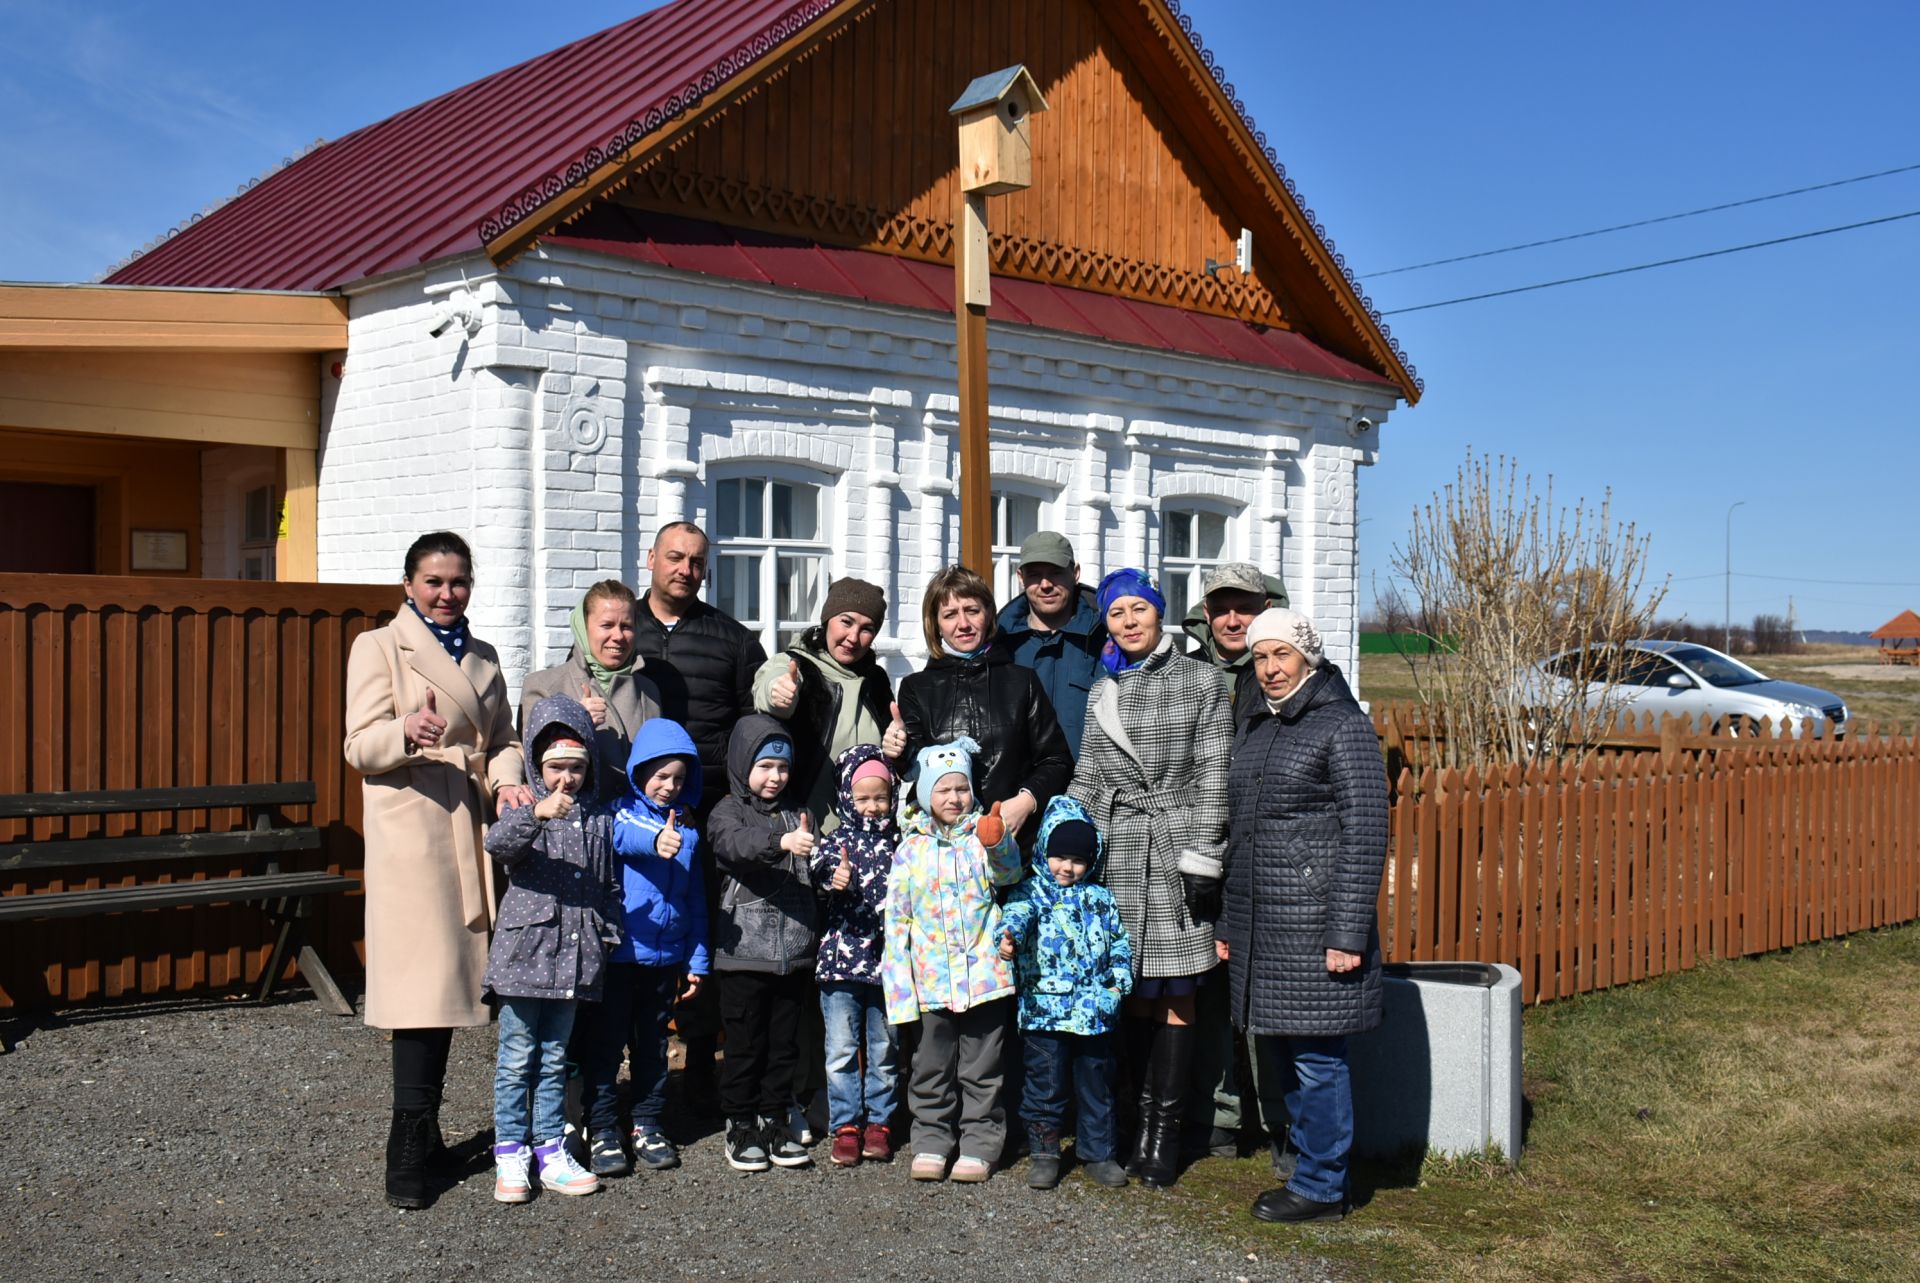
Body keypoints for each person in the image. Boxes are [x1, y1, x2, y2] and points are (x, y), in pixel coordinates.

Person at [343, 530, 532, 1209]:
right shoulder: (377, 647)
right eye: (434, 581)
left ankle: (429, 1136)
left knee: (454, 994)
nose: (447, 593)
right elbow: (358, 745)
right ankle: (406, 1151)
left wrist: (508, 781)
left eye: (458, 581)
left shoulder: (482, 655)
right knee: (422, 1000)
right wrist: (405, 733)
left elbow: (505, 739)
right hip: (416, 837)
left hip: (471, 829)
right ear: (408, 584)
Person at [1219, 607, 1389, 1223]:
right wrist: (1228, 927)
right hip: (1266, 926)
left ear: (1308, 658)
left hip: (1317, 926)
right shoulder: (1259, 727)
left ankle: (1322, 1186)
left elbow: (1365, 832)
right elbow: (1242, 838)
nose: (1269, 669)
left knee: (1319, 1061)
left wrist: (1346, 933)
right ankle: (1304, 1163)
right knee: (1288, 1052)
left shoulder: (1342, 726)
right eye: (1260, 658)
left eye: (1281, 655)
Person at [1068, 568, 1231, 1189]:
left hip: (1177, 850)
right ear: (1105, 621)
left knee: (1179, 991)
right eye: (1117, 613)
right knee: (1132, 990)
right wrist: (1066, 831)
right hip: (1120, 852)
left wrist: (1202, 854)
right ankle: (1136, 1122)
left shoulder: (1202, 680)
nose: (1130, 621)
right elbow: (1088, 773)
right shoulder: (1102, 689)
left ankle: (1165, 1133)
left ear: (1160, 614)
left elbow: (1217, 772)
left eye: (1140, 609)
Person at [630, 520, 767, 1113]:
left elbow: (750, 725)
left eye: (696, 562)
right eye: (675, 558)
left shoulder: (731, 638)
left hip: (707, 809)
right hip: (632, 815)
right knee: (637, 930)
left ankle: (702, 1061)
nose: (685, 569)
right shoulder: (618, 627)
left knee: (701, 927)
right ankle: (638, 1067)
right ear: (652, 559)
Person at [482, 695, 621, 1203]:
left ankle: (550, 1148)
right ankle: (510, 1151)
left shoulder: (597, 819)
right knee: (517, 1056)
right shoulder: (525, 808)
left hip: (575, 959)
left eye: (577, 768)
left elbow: (608, 886)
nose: (567, 778)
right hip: (524, 956)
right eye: (556, 767)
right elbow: (498, 847)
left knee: (556, 1057)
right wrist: (537, 813)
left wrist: (608, 934)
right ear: (538, 766)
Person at [1180, 561, 1288, 1167]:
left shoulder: (1283, 670)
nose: (1230, 619)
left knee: (1267, 987)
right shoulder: (1190, 672)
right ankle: (1220, 1113)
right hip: (1200, 845)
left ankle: (1278, 1116)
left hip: (1261, 846)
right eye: (1220, 607)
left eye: (1242, 606)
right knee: (1211, 985)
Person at [882, 738, 1024, 1183]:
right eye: (943, 790)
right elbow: (897, 920)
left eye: (961, 789)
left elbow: (1009, 876)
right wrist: (901, 994)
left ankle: (980, 1144)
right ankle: (930, 1140)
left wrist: (999, 842)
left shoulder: (982, 835)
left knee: (982, 1069)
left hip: (983, 977)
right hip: (930, 982)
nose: (954, 798)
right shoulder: (910, 849)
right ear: (925, 796)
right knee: (930, 1067)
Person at [582, 717, 708, 1178]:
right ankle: (601, 1126)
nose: (670, 787)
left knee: (653, 1045)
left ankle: (648, 1123)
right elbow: (623, 836)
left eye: (678, 778)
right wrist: (658, 840)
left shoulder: (690, 832)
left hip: (666, 958)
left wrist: (696, 960)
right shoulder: (619, 813)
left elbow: (694, 899)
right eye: (660, 777)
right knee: (607, 1044)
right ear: (638, 774)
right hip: (620, 956)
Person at [997, 796, 1133, 1190]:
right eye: (1059, 858)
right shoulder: (1031, 892)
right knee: (1045, 1085)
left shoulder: (1101, 899)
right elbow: (1014, 919)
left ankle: (1099, 1152)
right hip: (1044, 1010)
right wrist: (1007, 940)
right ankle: (1044, 1152)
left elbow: (1120, 945)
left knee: (1097, 1086)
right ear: (1043, 852)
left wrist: (1117, 984)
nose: (1067, 868)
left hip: (1094, 1012)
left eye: (1077, 860)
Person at [706, 714, 818, 1173]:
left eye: (783, 768)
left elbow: (816, 865)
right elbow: (735, 845)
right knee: (745, 1043)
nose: (776, 777)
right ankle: (740, 1122)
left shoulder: (800, 811)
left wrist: (833, 875)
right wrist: (782, 841)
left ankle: (774, 1117)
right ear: (743, 764)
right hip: (743, 955)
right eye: (765, 766)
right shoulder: (727, 810)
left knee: (783, 1043)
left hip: (793, 954)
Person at [897, 565, 1073, 849]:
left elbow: (1056, 760)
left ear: (989, 614)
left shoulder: (1023, 681)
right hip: (943, 852)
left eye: (972, 610)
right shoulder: (916, 688)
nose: (963, 624)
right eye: (950, 614)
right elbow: (913, 767)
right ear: (936, 623)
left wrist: (1025, 801)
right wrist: (898, 749)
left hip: (1015, 845)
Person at [808, 744, 903, 1167]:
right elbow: (816, 873)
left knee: (885, 1049)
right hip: (841, 964)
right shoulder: (836, 841)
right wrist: (834, 878)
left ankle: (880, 1123)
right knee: (842, 1049)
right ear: (847, 796)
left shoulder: (903, 841)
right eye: (862, 798)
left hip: (889, 967)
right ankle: (846, 1123)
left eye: (879, 797)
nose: (871, 806)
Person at [755, 577, 907, 826]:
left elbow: (891, 758)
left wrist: (897, 750)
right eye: (846, 622)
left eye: (867, 628)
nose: (853, 637)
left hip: (867, 835)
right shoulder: (798, 665)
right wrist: (778, 693)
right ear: (827, 620)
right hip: (804, 830)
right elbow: (770, 683)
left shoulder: (876, 681)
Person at [521, 579, 662, 799]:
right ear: (583, 627)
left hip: (634, 828)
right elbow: (533, 766)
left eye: (626, 626)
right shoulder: (543, 686)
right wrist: (575, 719)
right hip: (574, 826)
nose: (618, 636)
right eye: (607, 625)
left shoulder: (649, 691)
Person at [993, 532, 1106, 758]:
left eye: (1056, 573)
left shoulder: (1106, 638)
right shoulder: (998, 643)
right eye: (1035, 575)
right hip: (1020, 790)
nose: (1045, 585)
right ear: (1020, 577)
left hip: (1090, 789)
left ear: (1075, 574)